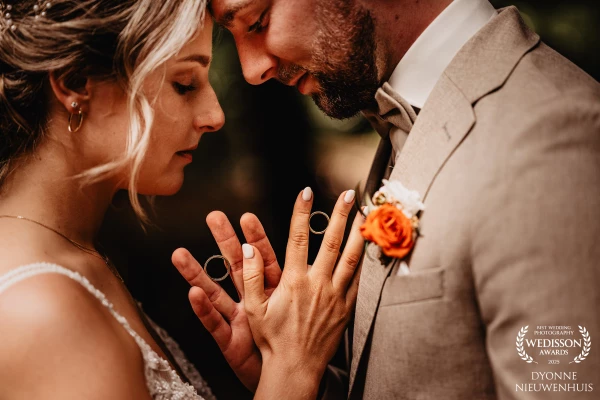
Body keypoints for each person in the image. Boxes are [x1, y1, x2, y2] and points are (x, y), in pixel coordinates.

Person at [174, 0, 600, 398]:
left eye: (257, 21)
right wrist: (295, 374)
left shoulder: (549, 137)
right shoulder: (411, 117)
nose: (252, 70)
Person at [0, 0, 364, 398]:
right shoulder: (42, 311)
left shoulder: (73, 253)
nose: (214, 115)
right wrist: (293, 367)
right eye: (185, 84)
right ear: (75, 83)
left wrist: (275, 374)